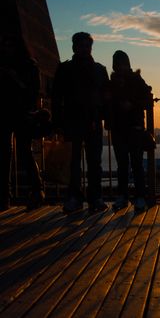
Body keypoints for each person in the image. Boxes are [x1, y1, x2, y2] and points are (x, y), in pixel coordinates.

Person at [51, 32, 109, 213]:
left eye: (87, 46)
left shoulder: (98, 70)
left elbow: (106, 97)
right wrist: (58, 122)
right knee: (73, 162)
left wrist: (103, 118)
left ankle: (93, 198)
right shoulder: (66, 69)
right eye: (81, 46)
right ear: (75, 47)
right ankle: (77, 197)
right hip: (73, 120)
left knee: (94, 162)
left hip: (91, 121)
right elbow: (56, 97)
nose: (84, 49)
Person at [0, 33, 45, 211]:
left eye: (9, 45)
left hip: (21, 112)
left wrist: (14, 77)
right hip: (5, 113)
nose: (6, 48)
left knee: (23, 152)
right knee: (5, 154)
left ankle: (36, 191)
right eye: (4, 44)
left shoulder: (28, 66)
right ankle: (5, 196)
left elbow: (33, 91)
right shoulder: (21, 64)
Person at [106, 50, 153, 213]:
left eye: (122, 63)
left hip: (133, 127)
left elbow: (147, 98)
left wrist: (132, 104)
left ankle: (138, 197)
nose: (120, 67)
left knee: (136, 164)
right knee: (123, 165)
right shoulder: (112, 83)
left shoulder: (135, 80)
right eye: (117, 64)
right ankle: (125, 196)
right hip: (120, 128)